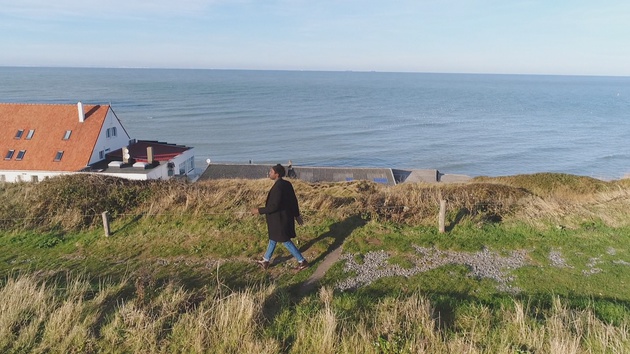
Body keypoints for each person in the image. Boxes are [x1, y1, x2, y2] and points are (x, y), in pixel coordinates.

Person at [251, 164, 309, 271]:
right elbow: (293, 201)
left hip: (280, 220)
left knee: (285, 240)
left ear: (277, 174)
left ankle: (302, 261)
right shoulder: (287, 184)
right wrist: (296, 215)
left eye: (271, 172)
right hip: (283, 218)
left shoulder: (278, 187)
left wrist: (259, 211)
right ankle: (266, 260)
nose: (269, 173)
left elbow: (274, 206)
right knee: (273, 239)